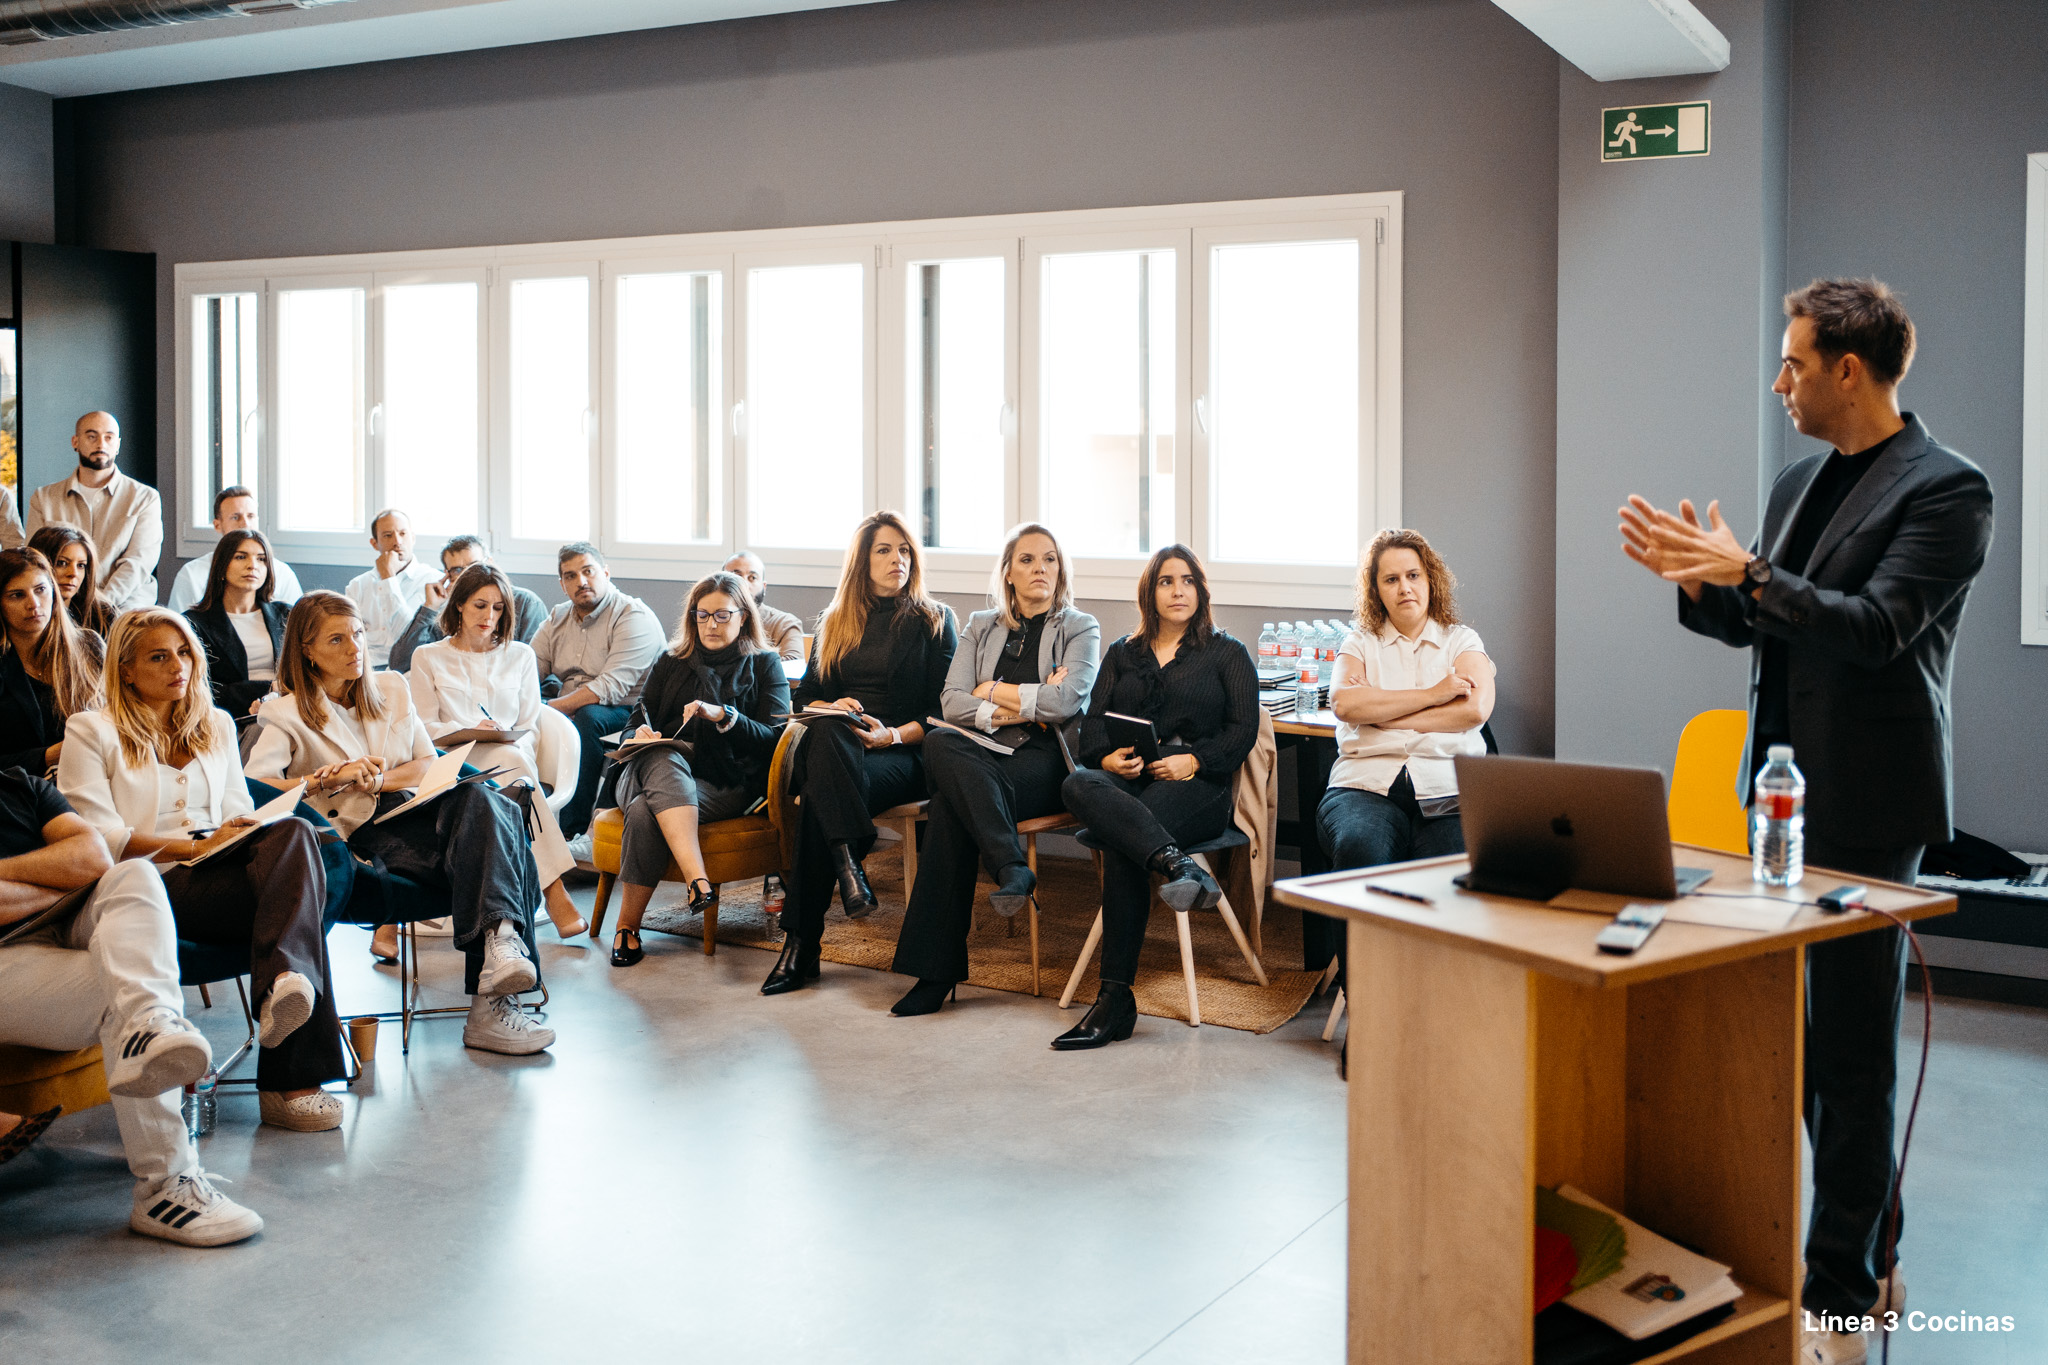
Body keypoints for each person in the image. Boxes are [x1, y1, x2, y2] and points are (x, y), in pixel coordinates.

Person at [1618, 278, 1993, 1365]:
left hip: (1869, 801)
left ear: (1847, 370)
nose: (1777, 381)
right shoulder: (1797, 481)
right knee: (1789, 1046)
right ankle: (1869, 1250)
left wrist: (1748, 572)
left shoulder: (1948, 488)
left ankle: (1839, 1296)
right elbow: (1765, 623)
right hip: (1776, 795)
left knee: (1849, 1055)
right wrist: (1703, 583)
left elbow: (1874, 628)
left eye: (1792, 362)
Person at [57, 608, 346, 1132]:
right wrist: (193, 847)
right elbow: (100, 838)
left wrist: (237, 831)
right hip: (146, 888)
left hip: (216, 874)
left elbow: (237, 807)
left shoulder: (214, 723)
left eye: (185, 653)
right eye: (158, 657)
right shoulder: (91, 730)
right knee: (295, 905)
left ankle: (284, 983)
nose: (178, 666)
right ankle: (291, 1085)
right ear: (125, 670)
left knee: (294, 834)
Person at [246, 591, 555, 1056]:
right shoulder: (285, 713)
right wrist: (327, 779)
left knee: (482, 798)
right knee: (502, 828)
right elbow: (257, 788)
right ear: (306, 650)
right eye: (337, 639)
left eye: (358, 634)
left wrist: (379, 779)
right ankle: (493, 993)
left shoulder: (390, 687)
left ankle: (501, 946)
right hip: (359, 834)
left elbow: (427, 762)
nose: (355, 648)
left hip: (413, 809)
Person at [0, 767, 264, 1244]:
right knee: (126, 988)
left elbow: (94, 856)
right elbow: (77, 869)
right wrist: (59, 877)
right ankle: (167, 1186)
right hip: (7, 958)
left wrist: (34, 880)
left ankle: (151, 1026)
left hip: (65, 922)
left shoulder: (19, 784)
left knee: (134, 873)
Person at [887, 523, 1099, 1016]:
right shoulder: (981, 625)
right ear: (1008, 572)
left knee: (950, 809)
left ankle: (935, 975)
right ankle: (1010, 865)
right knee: (939, 740)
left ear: (1061, 569)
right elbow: (950, 702)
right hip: (978, 753)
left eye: (1049, 559)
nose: (1040, 568)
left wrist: (990, 691)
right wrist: (1024, 704)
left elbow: (1065, 702)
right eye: (1027, 559)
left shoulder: (1080, 627)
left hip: (1043, 763)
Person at [1054, 545, 1257, 1051]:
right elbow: (1090, 728)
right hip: (1132, 778)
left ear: (1201, 591)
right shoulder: (1124, 652)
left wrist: (1195, 761)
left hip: (1197, 787)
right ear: (1150, 592)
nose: (1178, 591)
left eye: (1187, 581)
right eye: (1166, 581)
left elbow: (1243, 731)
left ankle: (1113, 999)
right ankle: (1178, 865)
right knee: (1077, 783)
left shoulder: (1227, 652)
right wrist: (1107, 760)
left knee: (1125, 836)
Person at [760, 512, 957, 996]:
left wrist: (891, 736)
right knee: (830, 733)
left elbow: (944, 709)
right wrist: (834, 708)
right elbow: (808, 699)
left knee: (818, 803)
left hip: (901, 752)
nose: (897, 560)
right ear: (862, 562)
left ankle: (802, 943)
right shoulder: (835, 621)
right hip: (839, 747)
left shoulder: (935, 620)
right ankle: (847, 864)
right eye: (884, 550)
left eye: (904, 550)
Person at [599, 571, 789, 968]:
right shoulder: (671, 660)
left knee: (643, 811)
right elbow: (636, 718)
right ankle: (697, 879)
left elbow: (774, 739)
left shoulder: (765, 664)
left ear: (743, 617)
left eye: (722, 615)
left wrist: (725, 716)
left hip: (722, 783)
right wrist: (640, 733)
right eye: (702, 615)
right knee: (663, 755)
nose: (710, 624)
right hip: (646, 771)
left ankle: (626, 929)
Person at [405, 561, 587, 944]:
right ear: (458, 604)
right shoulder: (427, 657)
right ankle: (554, 890)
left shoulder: (520, 655)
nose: (489, 616)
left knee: (514, 761)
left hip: (510, 756)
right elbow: (423, 728)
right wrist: (468, 730)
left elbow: (531, 724)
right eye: (480, 605)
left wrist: (504, 739)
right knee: (514, 770)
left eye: (498, 608)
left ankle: (528, 900)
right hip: (451, 760)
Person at [1318, 529, 1494, 874]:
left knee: (1449, 864)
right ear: (1376, 590)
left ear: (1430, 580)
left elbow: (1475, 710)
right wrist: (1435, 695)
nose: (1404, 588)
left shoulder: (1461, 642)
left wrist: (1383, 715)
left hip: (1448, 786)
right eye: (1391, 579)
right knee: (1360, 847)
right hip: (1365, 783)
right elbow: (1345, 705)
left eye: (1413, 575)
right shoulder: (1359, 643)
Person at [529, 542, 664, 841]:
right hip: (570, 706)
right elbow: (528, 668)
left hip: (631, 711)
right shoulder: (557, 618)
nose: (581, 581)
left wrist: (548, 709)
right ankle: (526, 827)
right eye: (571, 576)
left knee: (588, 717)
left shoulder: (632, 615)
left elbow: (609, 687)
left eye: (588, 571)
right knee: (521, 715)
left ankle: (573, 832)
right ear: (562, 584)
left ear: (605, 573)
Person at [25, 412, 161, 613]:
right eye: (91, 436)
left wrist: (101, 605)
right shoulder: (43, 498)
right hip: (61, 602)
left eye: (109, 437)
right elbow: (36, 560)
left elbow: (138, 563)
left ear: (118, 445)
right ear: (75, 442)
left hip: (124, 603)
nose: (101, 444)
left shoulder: (145, 498)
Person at [0, 548, 104, 775]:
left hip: (96, 776)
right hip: (22, 789)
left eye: (40, 590)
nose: (34, 604)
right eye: (17, 595)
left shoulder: (89, 646)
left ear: (53, 592)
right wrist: (49, 755)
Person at [387, 535, 548, 674]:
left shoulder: (526, 603)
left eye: (475, 565)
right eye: (457, 570)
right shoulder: (449, 610)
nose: (468, 574)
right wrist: (429, 608)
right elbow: (400, 664)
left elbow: (532, 670)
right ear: (448, 576)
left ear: (490, 563)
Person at [182, 529, 289, 720]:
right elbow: (200, 689)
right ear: (222, 565)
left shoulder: (286, 615)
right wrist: (269, 688)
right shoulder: (193, 623)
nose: (252, 565)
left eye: (261, 559)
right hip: (231, 718)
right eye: (241, 557)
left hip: (287, 709)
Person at [166, 486, 304, 613]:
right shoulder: (191, 574)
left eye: (250, 516)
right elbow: (178, 625)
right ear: (217, 525)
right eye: (235, 517)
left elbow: (297, 624)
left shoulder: (283, 573)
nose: (245, 523)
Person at [342, 508, 438, 670]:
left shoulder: (432, 581)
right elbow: (350, 638)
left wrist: (388, 579)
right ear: (374, 543)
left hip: (411, 668)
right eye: (388, 535)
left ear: (413, 538)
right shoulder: (357, 586)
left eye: (403, 534)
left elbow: (407, 637)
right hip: (365, 669)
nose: (397, 542)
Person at [28, 523, 117, 641]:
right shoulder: (27, 614)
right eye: (62, 563)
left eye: (81, 565)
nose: (73, 573)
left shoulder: (103, 616)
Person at [722, 551, 807, 663]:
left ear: (764, 587)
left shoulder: (784, 624)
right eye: (736, 577)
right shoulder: (707, 620)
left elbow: (793, 665)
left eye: (752, 578)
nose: (744, 584)